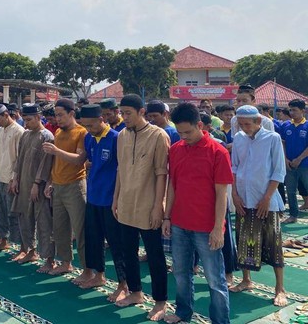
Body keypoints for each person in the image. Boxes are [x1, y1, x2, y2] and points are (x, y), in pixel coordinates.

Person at [163, 103, 232, 324]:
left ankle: (220, 320)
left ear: (200, 125)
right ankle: (183, 312)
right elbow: (172, 185)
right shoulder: (176, 149)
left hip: (207, 227)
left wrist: (217, 228)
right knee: (181, 274)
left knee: (215, 280)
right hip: (179, 224)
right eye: (180, 132)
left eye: (188, 132)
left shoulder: (218, 152)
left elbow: (222, 194)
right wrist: (167, 217)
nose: (184, 136)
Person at [112, 93, 169, 321]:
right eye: (122, 113)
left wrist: (159, 206)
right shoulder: (122, 136)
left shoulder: (158, 135)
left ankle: (160, 301)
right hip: (125, 204)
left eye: (128, 114)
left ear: (141, 112)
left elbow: (162, 173)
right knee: (128, 252)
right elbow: (120, 170)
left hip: (148, 206)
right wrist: (115, 199)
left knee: (155, 256)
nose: (124, 118)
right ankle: (135, 293)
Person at [230, 105, 287, 306]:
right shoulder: (238, 138)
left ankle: (280, 288)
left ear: (258, 122)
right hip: (243, 199)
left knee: (273, 244)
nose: (244, 128)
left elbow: (278, 171)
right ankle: (246, 280)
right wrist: (235, 195)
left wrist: (267, 198)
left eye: (248, 124)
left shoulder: (272, 139)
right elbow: (234, 167)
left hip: (267, 201)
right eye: (241, 124)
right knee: (244, 240)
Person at [73, 104, 128, 299]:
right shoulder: (89, 138)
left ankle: (123, 284)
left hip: (111, 198)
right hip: (93, 195)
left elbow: (122, 168)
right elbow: (84, 161)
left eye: (91, 125)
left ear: (101, 119)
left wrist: (118, 197)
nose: (88, 129)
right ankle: (99, 275)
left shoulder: (116, 138)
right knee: (93, 239)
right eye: (85, 125)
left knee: (116, 243)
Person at [42, 98, 93, 284]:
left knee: (80, 230)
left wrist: (56, 151)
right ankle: (65, 262)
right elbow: (56, 161)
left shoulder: (82, 133)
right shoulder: (58, 132)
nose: (58, 119)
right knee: (60, 228)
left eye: (61, 115)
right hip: (58, 185)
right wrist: (50, 182)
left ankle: (88, 270)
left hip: (75, 185)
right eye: (56, 115)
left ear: (72, 114)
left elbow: (79, 160)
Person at [11, 103, 56, 271]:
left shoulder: (47, 136)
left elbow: (46, 164)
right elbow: (20, 158)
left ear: (38, 117)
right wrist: (15, 178)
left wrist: (37, 184)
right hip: (23, 184)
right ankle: (30, 250)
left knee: (44, 223)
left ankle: (49, 260)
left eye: (29, 120)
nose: (26, 123)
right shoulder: (26, 135)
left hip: (39, 187)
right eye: (25, 120)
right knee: (24, 218)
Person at [0, 104, 24, 253]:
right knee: (1, 212)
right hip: (0, 176)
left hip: (11, 179)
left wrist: (14, 179)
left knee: (13, 213)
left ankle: (23, 247)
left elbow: (19, 158)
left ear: (6, 115)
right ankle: (2, 240)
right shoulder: (0, 131)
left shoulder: (19, 131)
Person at [281, 99, 308, 224]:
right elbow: (283, 143)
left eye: (295, 110)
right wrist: (285, 159)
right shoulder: (286, 125)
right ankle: (293, 215)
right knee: (291, 191)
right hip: (289, 165)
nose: (292, 113)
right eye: (290, 110)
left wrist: (299, 159)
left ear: (303, 111)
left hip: (305, 165)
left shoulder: (307, 126)